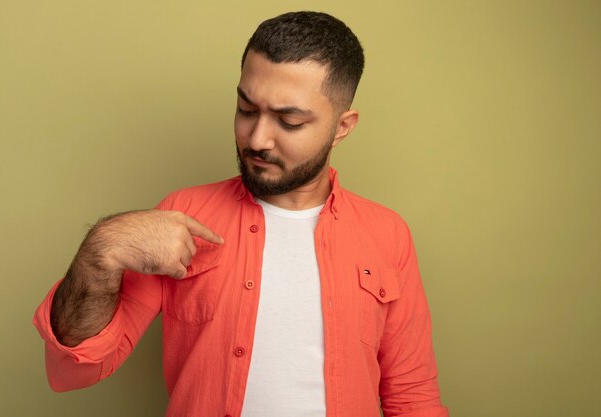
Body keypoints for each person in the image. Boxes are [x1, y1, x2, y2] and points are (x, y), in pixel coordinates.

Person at [34, 11, 449, 417]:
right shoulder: (182, 214)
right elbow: (74, 368)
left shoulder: (387, 234)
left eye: (288, 121)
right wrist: (100, 249)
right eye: (247, 110)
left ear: (342, 128)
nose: (256, 138)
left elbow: (413, 397)